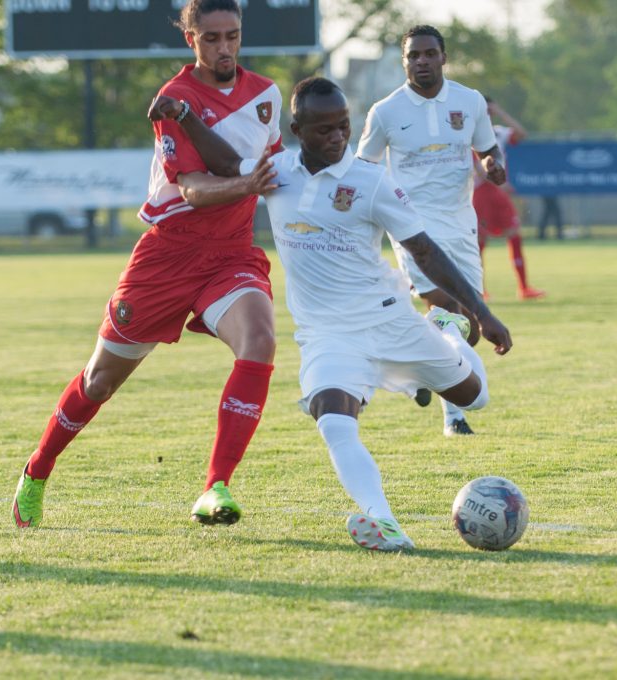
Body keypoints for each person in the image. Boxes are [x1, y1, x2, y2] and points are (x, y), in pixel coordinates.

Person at [150, 77, 513, 551]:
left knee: (474, 397)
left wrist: (481, 313)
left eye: (343, 127)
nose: (338, 137)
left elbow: (424, 250)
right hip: (328, 336)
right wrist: (183, 115)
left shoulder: (371, 180)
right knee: (332, 417)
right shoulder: (276, 171)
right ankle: (384, 523)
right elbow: (222, 163)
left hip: (389, 320)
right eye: (324, 130)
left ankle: (444, 330)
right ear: (298, 129)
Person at [11, 0, 283, 529]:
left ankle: (215, 487)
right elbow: (193, 188)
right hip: (167, 256)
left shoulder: (266, 94)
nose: (224, 47)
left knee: (261, 341)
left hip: (231, 254)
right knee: (99, 383)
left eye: (233, 36)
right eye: (212, 38)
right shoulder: (174, 100)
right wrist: (248, 184)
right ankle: (37, 470)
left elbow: (275, 168)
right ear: (191, 40)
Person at [355, 24, 507, 437]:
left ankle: (412, 369)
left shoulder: (469, 101)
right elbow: (363, 169)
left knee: (469, 330)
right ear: (404, 62)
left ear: (443, 57)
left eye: (428, 54)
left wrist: (493, 163)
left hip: (460, 223)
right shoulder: (385, 112)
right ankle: (454, 418)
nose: (421, 61)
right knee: (446, 311)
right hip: (412, 228)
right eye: (413, 56)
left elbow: (487, 147)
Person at [473, 96, 546, 301]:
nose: (487, 112)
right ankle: (479, 290)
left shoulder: (498, 131)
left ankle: (524, 288)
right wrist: (497, 181)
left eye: (489, 109)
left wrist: (501, 112)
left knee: (514, 233)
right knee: (479, 241)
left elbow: (522, 134)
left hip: (498, 191)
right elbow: (476, 166)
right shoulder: (470, 132)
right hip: (481, 192)